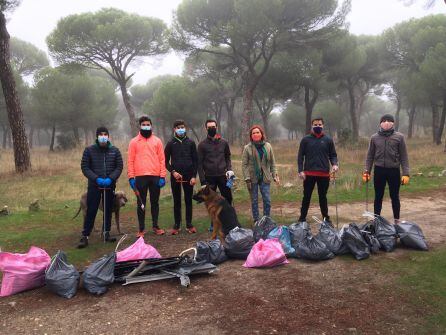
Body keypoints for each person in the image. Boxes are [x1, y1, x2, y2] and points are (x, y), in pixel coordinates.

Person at [78, 126, 123, 248]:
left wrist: (111, 178)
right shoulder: (89, 150)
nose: (103, 136)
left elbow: (119, 167)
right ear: (97, 136)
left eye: (105, 134)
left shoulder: (115, 151)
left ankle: (106, 233)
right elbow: (85, 167)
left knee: (108, 209)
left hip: (109, 185)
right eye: (101, 134)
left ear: (108, 136)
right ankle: (85, 236)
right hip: (94, 185)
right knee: (91, 209)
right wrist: (96, 178)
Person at [363, 114, 410, 223]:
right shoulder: (374, 137)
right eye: (384, 121)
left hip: (394, 171)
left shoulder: (399, 137)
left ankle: (397, 220)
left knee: (395, 196)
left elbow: (404, 156)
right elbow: (370, 156)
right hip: (379, 170)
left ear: (393, 123)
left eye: (389, 121)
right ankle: (376, 220)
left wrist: (406, 173)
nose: (386, 123)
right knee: (378, 196)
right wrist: (367, 171)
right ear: (380, 123)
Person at [127, 116, 167, 237]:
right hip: (140, 177)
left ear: (151, 125)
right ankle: (141, 229)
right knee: (141, 203)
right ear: (140, 126)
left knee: (155, 202)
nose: (146, 126)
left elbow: (162, 159)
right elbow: (130, 160)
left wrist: (162, 176)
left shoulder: (157, 141)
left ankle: (155, 226)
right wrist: (131, 177)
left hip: (155, 176)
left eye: (148, 124)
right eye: (143, 124)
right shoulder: (133, 142)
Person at [297, 117, 339, 224]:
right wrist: (300, 170)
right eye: (315, 125)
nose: (317, 126)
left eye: (320, 125)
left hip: (324, 174)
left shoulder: (328, 140)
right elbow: (300, 156)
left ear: (323, 126)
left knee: (322, 197)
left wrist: (334, 164)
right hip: (308, 174)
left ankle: (326, 218)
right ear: (312, 126)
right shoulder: (305, 140)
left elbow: (333, 155)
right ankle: (302, 218)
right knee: (306, 196)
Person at [164, 120, 198, 235]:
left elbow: (195, 161)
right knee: (177, 201)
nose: (180, 129)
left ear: (185, 128)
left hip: (189, 176)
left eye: (182, 127)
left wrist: (194, 176)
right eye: (178, 127)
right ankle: (177, 225)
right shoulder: (170, 143)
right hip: (176, 176)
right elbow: (165, 162)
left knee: (188, 200)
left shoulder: (191, 143)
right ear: (174, 129)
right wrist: (173, 172)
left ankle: (189, 224)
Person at [242, 125, 280, 223]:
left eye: (257, 132)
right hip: (252, 178)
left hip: (265, 177)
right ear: (251, 135)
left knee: (267, 200)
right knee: (254, 200)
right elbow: (244, 165)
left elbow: (272, 162)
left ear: (261, 134)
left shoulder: (268, 146)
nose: (255, 134)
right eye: (253, 133)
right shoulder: (247, 148)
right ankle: (256, 220)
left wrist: (275, 175)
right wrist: (247, 178)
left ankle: (266, 219)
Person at [197, 119, 234, 204]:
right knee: (210, 202)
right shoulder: (201, 145)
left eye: (213, 127)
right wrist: (203, 181)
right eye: (209, 127)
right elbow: (199, 164)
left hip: (224, 176)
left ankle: (227, 216)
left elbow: (227, 157)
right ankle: (214, 217)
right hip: (209, 178)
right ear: (205, 128)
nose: (211, 129)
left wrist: (229, 169)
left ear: (216, 127)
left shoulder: (224, 142)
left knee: (228, 199)